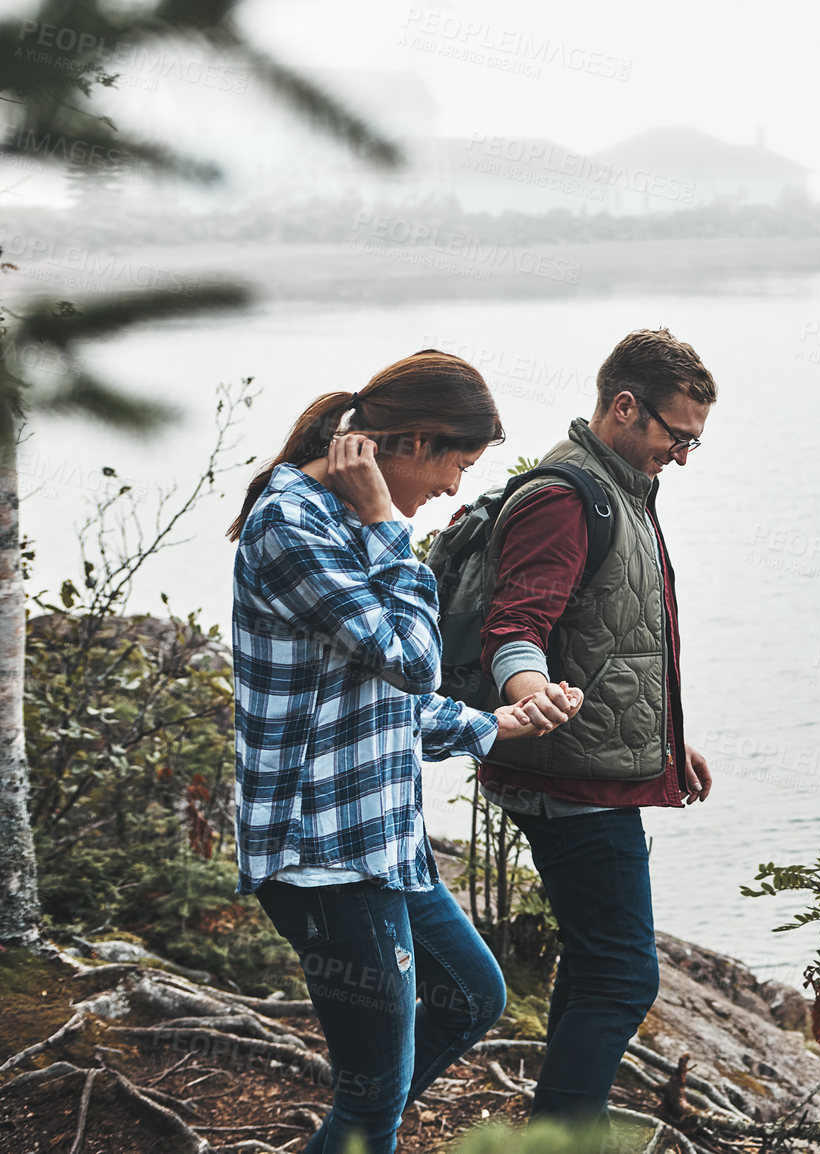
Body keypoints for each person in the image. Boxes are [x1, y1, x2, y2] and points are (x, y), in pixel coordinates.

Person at [227, 349, 577, 1154]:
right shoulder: (294, 524)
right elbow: (410, 658)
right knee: (372, 1104)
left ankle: (355, 1127)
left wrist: (494, 726)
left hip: (378, 842)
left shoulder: (340, 518)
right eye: (458, 463)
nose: (454, 487)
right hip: (324, 860)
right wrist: (389, 522)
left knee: (470, 1000)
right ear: (414, 443)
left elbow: (375, 702)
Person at [476, 328, 717, 1126]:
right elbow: (518, 623)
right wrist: (529, 689)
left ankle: (555, 1131)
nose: (683, 454)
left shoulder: (622, 490)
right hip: (568, 778)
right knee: (621, 976)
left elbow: (614, 638)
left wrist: (662, 737)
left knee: (595, 964)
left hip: (590, 764)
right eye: (676, 435)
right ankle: (560, 1139)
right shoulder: (565, 497)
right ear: (623, 406)